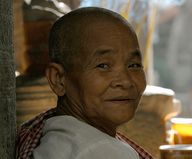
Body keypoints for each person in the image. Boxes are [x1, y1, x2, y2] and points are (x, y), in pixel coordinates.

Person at [16, 7, 153, 159]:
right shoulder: (101, 151)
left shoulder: (59, 140)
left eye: (134, 65)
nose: (126, 81)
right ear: (58, 79)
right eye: (103, 65)